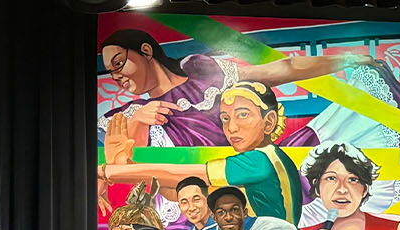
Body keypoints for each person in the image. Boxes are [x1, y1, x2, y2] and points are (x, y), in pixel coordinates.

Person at [98, 29, 375, 148]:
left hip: (246, 182)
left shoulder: (200, 71)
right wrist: (137, 124)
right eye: (111, 72)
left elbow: (284, 69)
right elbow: (120, 167)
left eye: (119, 63)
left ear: (146, 51)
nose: (117, 76)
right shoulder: (127, 116)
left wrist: (346, 59)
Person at [102, 81, 304, 225]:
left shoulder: (258, 161)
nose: (231, 127)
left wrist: (110, 170)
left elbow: (176, 175)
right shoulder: (258, 160)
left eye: (243, 115)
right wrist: (123, 163)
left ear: (268, 121)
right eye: (225, 118)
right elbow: (176, 188)